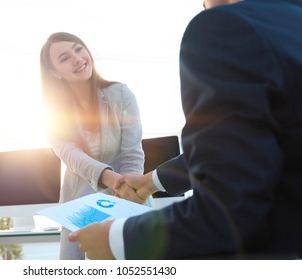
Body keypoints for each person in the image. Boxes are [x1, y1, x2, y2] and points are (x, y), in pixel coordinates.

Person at [68, 0, 302, 259]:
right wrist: (149, 181)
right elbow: (247, 149)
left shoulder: (227, 26)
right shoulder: (290, 21)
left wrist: (118, 239)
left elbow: (230, 211)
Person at [40, 32, 151, 259]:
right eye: (64, 58)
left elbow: (132, 152)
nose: (77, 58)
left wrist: (126, 192)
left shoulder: (121, 94)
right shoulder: (52, 116)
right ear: (54, 73)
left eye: (78, 49)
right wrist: (112, 179)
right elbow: (73, 157)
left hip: (128, 199)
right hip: (79, 210)